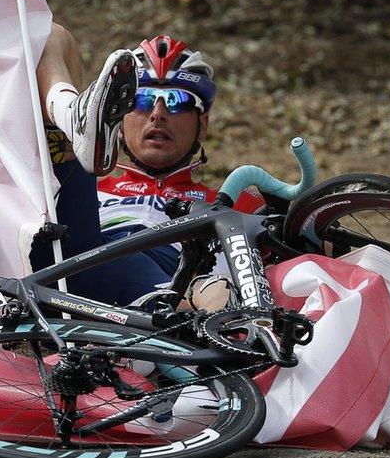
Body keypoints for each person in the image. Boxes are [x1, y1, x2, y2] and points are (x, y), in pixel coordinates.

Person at [30, 24, 260, 306]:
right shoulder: (90, 190)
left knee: (213, 289)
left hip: (174, 287)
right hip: (76, 259)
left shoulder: (237, 201)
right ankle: (70, 114)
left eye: (177, 101)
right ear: (121, 121)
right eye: (142, 100)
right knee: (52, 35)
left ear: (202, 125)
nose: (158, 114)